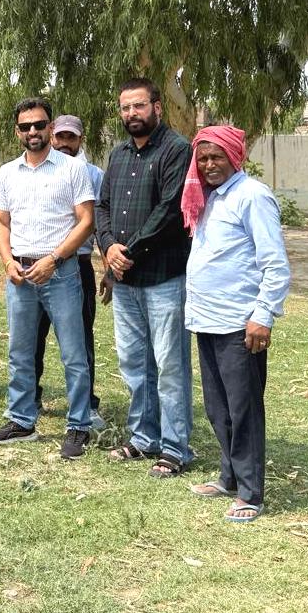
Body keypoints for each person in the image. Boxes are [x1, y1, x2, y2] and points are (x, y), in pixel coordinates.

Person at [181, 125, 291, 523]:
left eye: (217, 157)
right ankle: (228, 477)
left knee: (243, 409)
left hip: (238, 324)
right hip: (207, 320)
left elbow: (275, 265)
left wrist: (263, 315)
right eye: (203, 157)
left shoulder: (252, 197)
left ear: (235, 156)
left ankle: (251, 492)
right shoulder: (206, 199)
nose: (209, 164)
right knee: (218, 408)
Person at [94, 78, 194, 477]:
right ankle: (142, 437)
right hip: (127, 283)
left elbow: (170, 211)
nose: (131, 114)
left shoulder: (177, 150)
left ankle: (175, 448)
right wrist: (108, 248)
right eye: (125, 108)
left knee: (169, 365)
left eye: (138, 106)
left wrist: (127, 252)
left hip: (164, 278)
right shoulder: (117, 155)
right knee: (134, 363)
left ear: (157, 107)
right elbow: (102, 207)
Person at [0, 97, 96, 460]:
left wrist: (54, 258)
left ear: (50, 127)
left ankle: (78, 424)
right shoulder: (7, 173)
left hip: (61, 273)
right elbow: (1, 222)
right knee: (20, 352)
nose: (32, 131)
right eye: (25, 126)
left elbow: (85, 220)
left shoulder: (71, 169)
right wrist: (6, 262)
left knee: (74, 353)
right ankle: (22, 420)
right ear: (17, 131)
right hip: (19, 275)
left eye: (39, 124)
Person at [33, 114, 107, 429]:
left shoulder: (94, 175)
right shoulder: (36, 170)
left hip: (77, 264)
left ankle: (86, 404)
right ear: (52, 135)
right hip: (36, 265)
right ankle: (30, 401)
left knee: (79, 338)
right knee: (33, 337)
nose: (64, 143)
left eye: (71, 138)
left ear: (81, 140)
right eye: (60, 137)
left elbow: (102, 223)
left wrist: (109, 268)